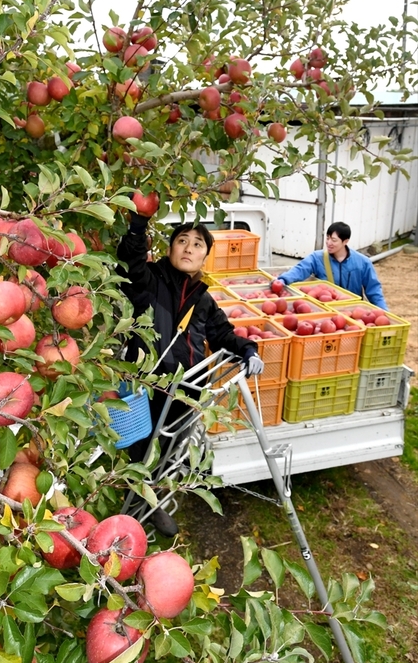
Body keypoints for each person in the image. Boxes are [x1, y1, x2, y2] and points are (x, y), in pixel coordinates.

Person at [116, 210, 264, 536]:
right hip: (150, 384)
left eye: (197, 244)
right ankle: (137, 507)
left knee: (170, 450)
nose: (188, 248)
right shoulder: (150, 280)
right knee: (141, 446)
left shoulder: (203, 298)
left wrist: (248, 349)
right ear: (169, 249)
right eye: (181, 241)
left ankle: (148, 502)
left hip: (187, 388)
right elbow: (130, 264)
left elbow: (222, 334)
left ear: (205, 256)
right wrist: (138, 224)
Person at [274, 222, 388, 309]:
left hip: (352, 310)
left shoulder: (362, 262)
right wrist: (283, 279)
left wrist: (384, 312)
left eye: (333, 240)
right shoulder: (317, 258)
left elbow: (374, 290)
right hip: (325, 310)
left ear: (345, 241)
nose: (329, 243)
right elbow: (300, 269)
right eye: (327, 238)